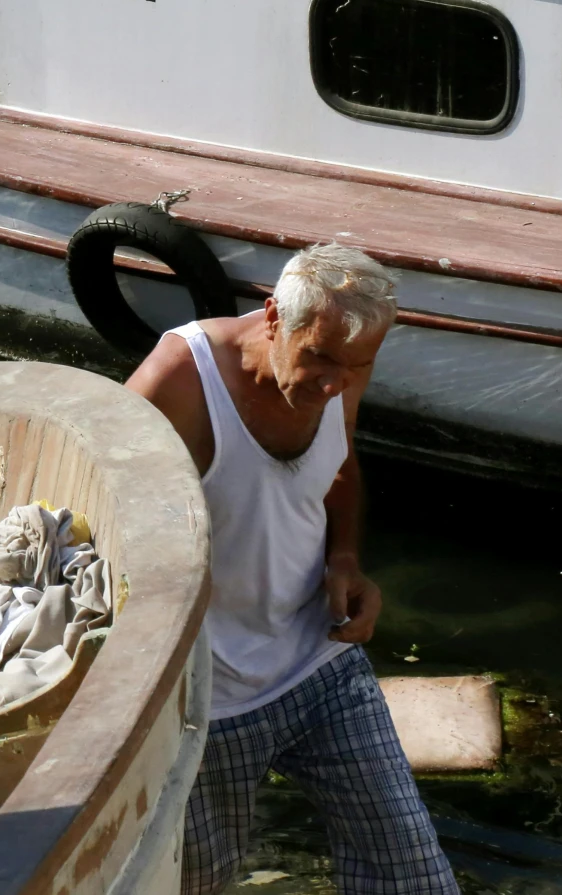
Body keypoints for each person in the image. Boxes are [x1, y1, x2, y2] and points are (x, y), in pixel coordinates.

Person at [126, 243, 456, 895]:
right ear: (274, 316)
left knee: (414, 873)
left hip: (321, 661)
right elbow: (101, 528)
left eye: (357, 367)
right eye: (320, 360)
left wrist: (345, 558)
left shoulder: (342, 367)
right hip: (209, 701)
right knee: (198, 881)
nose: (336, 385)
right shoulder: (180, 382)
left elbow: (340, 465)